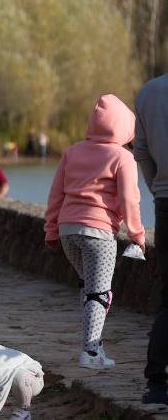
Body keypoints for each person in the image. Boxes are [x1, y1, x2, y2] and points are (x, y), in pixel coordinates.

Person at [45, 94, 145, 370]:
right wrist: (137, 234)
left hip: (68, 232)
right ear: (125, 127)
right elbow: (128, 200)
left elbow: (56, 194)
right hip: (99, 235)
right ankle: (90, 352)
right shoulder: (123, 157)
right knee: (99, 294)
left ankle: (95, 346)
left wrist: (51, 229)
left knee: (89, 288)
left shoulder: (72, 152)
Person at [133, 73, 168, 406]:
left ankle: (156, 383)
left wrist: (157, 188)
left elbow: (140, 152)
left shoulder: (148, 92)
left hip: (164, 202)